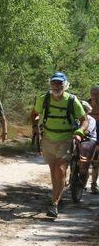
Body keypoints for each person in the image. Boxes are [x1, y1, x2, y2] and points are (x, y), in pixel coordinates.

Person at [31, 72, 87, 218]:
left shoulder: (72, 101)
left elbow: (84, 120)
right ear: (50, 84)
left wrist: (79, 132)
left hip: (66, 138)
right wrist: (35, 127)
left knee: (60, 169)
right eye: (54, 83)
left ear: (65, 85)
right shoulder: (44, 99)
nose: (56, 86)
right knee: (53, 170)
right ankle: (56, 195)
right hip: (48, 138)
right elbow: (34, 114)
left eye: (59, 83)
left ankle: (54, 204)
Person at [77, 100, 97, 187]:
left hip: (88, 139)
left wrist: (78, 134)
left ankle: (83, 172)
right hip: (77, 138)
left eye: (83, 109)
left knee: (85, 148)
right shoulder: (75, 118)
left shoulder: (91, 119)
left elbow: (88, 131)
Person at [86, 86, 99, 194]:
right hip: (87, 133)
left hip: (98, 135)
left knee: (96, 162)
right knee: (82, 160)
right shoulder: (85, 104)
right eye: (93, 93)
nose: (95, 96)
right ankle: (78, 182)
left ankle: (94, 185)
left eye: (97, 94)